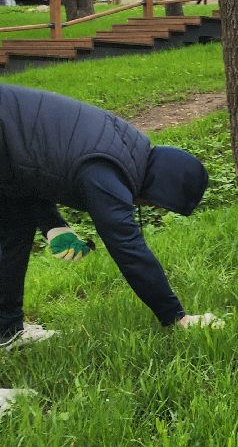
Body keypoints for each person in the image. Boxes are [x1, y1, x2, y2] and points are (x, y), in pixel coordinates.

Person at [0, 84, 224, 350]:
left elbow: (31, 166)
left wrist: (53, 225)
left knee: (15, 231)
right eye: (154, 203)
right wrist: (175, 316)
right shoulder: (107, 171)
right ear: (158, 188)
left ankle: (7, 329)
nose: (147, 206)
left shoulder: (127, 148)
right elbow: (127, 247)